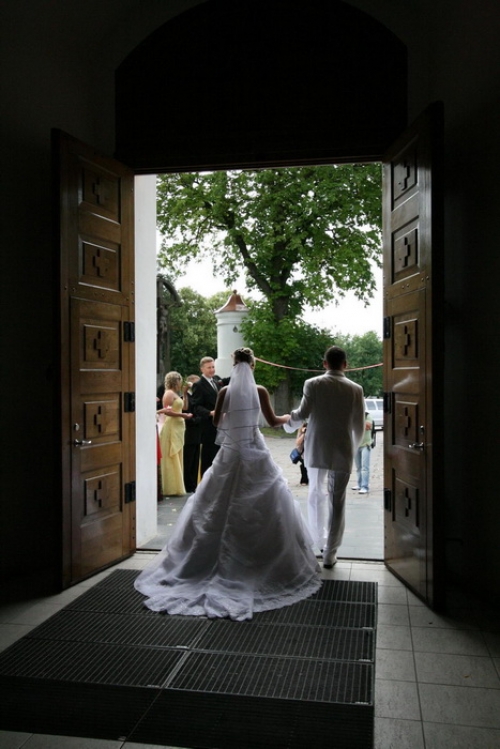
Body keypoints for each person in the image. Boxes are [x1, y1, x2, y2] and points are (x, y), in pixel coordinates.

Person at [134, 347, 321, 621]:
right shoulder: (260, 391)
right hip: (254, 449)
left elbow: (218, 420)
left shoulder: (224, 392)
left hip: (231, 451)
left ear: (233, 366)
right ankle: (261, 565)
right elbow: (271, 421)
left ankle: (198, 564)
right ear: (253, 365)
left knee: (212, 502)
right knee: (265, 503)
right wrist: (292, 419)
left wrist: (228, 419)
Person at [288, 346, 365, 569]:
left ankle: (316, 542)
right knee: (337, 500)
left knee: (315, 494)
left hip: (317, 446)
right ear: (345, 365)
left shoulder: (313, 384)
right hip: (342, 448)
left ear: (324, 364)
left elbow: (302, 414)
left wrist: (285, 421)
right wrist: (353, 447)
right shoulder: (356, 389)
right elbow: (358, 425)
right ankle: (330, 553)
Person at [157, 371, 193, 496]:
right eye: (179, 380)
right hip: (171, 425)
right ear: (174, 381)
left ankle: (177, 485)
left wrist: (184, 393)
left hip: (179, 426)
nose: (180, 382)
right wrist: (181, 415)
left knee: (177, 454)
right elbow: (166, 411)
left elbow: (185, 407)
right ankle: (170, 487)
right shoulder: (168, 394)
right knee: (170, 454)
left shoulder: (177, 394)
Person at [191, 356, 222, 475]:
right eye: (209, 367)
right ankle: (206, 482)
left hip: (220, 425)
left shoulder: (216, 380)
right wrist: (210, 413)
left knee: (219, 454)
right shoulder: (199, 385)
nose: (212, 370)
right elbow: (196, 406)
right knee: (208, 456)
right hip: (208, 426)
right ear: (202, 369)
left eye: (213, 367)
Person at [182, 374, 202, 493]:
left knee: (195, 460)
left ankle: (194, 483)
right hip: (189, 432)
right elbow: (186, 413)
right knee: (189, 460)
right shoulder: (185, 397)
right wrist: (198, 418)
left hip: (198, 432)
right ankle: (188, 484)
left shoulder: (197, 397)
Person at [353, 411, 374, 494]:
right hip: (356, 444)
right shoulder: (353, 416)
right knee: (358, 467)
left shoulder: (367, 416)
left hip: (366, 444)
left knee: (365, 467)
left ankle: (364, 486)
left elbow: (368, 426)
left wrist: (357, 422)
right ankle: (359, 484)